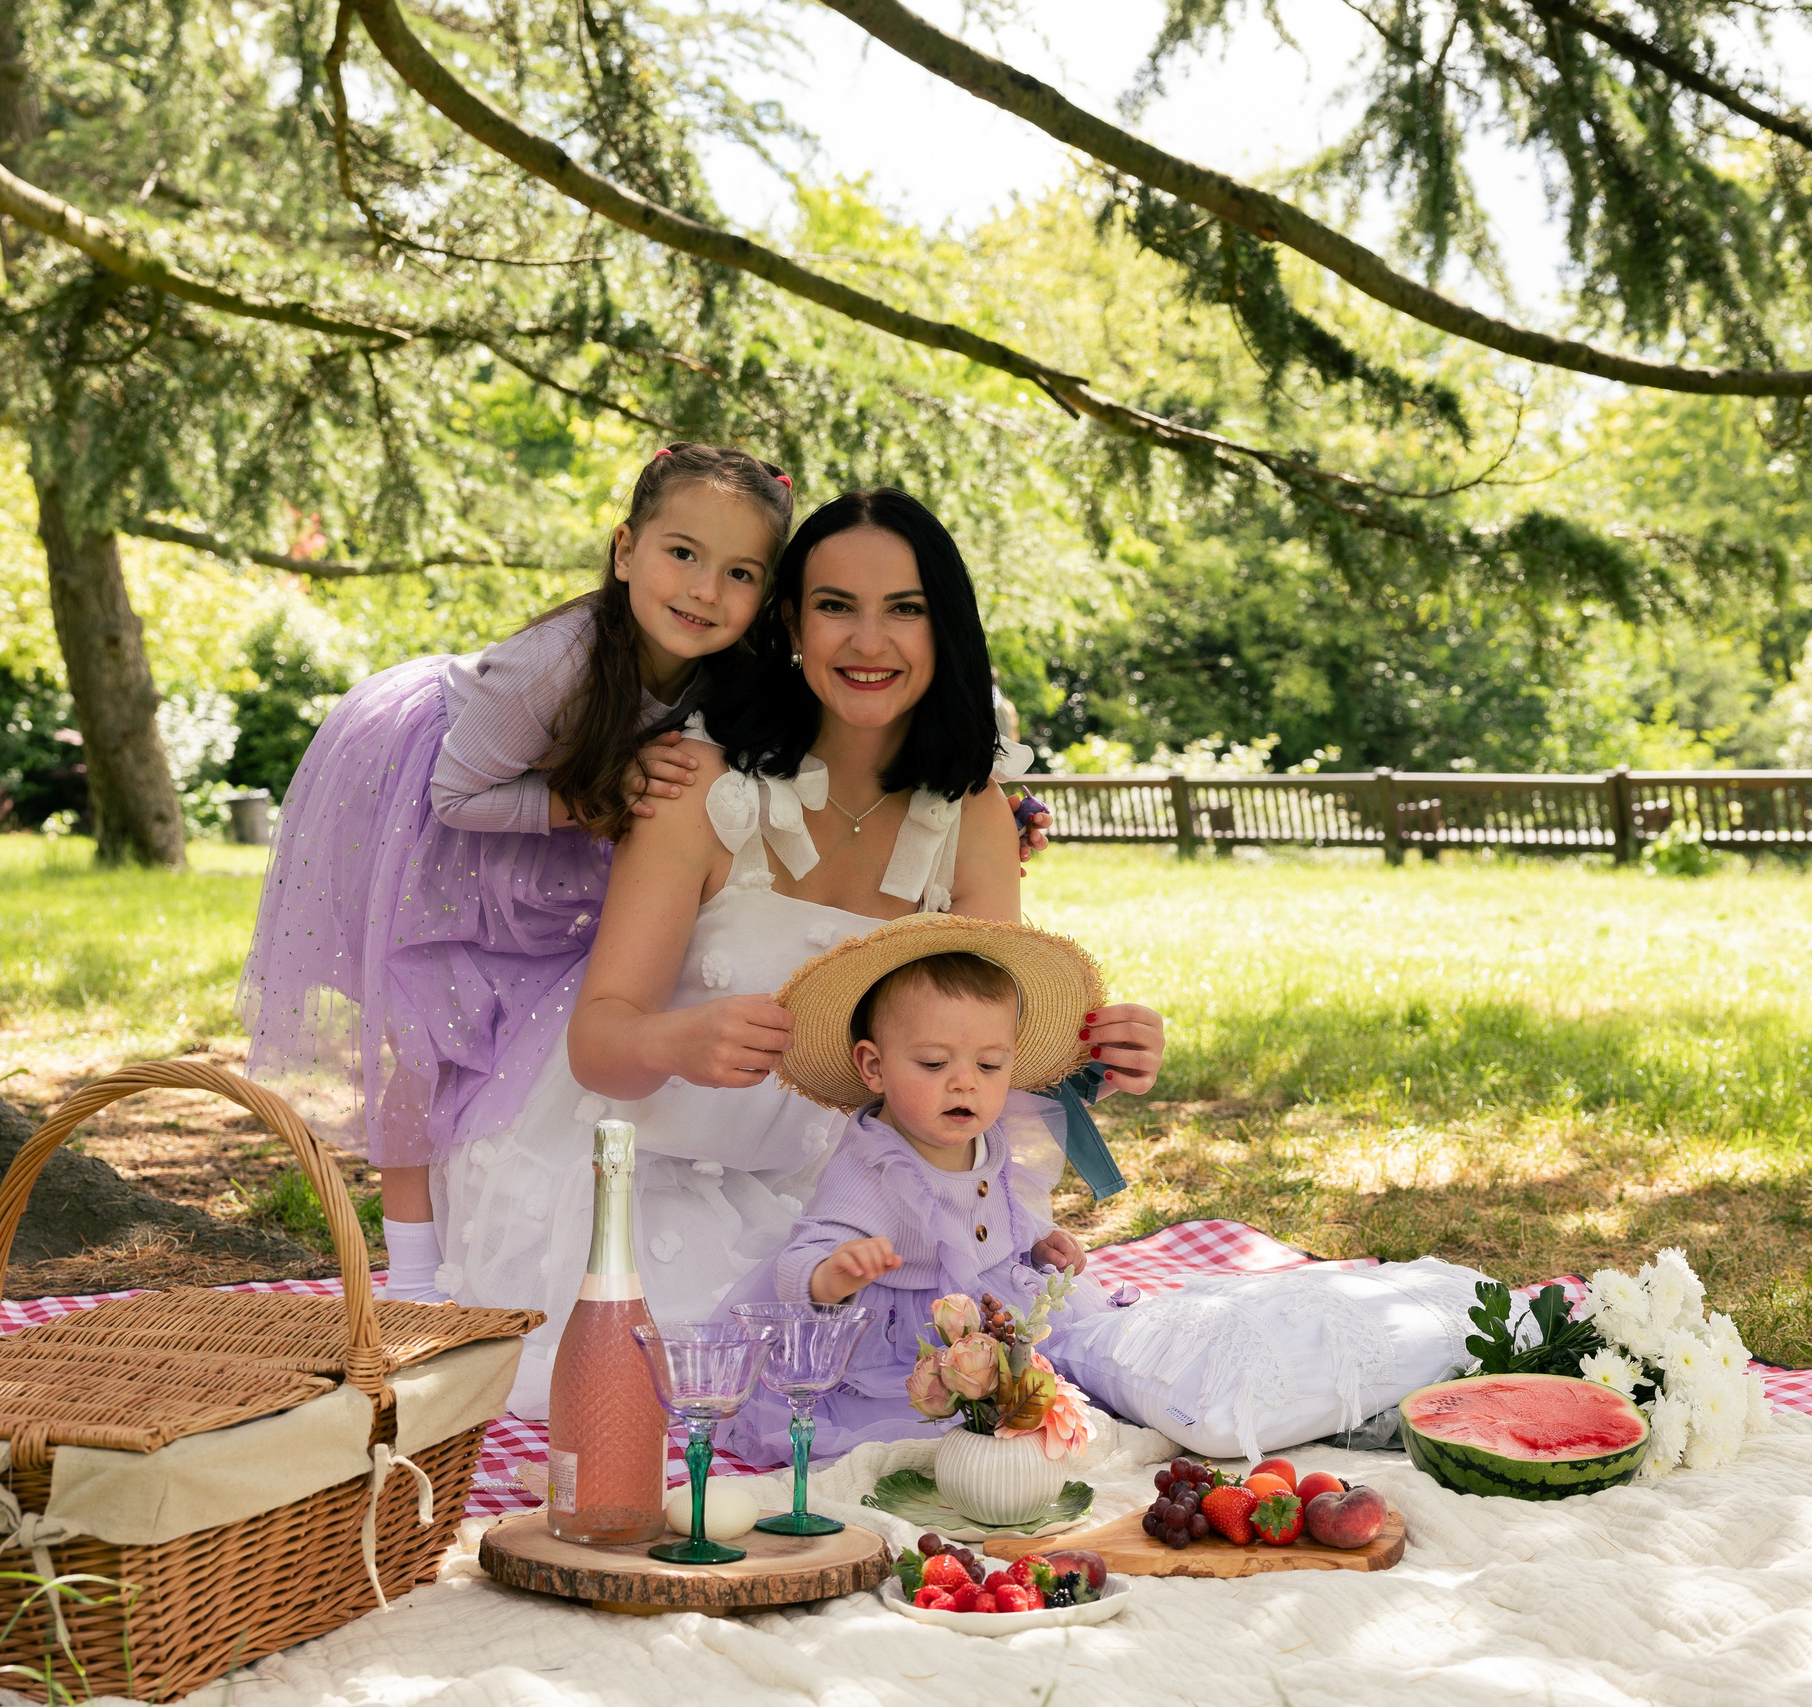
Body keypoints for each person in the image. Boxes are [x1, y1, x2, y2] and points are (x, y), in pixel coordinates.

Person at [431, 488, 1167, 1414]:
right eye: (835, 607)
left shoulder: (971, 810)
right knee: (721, 1384)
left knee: (1016, 1364)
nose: (870, 641)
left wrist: (1098, 1053)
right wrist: (676, 1041)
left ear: (948, 629)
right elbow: (599, 1041)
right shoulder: (699, 784)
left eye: (905, 609)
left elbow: (982, 1052)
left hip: (864, 1201)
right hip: (660, 1178)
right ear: (788, 622)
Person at [237, 443, 796, 1302]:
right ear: (624, 550)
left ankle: (478, 1226)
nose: (703, 590)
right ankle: (413, 1270)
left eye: (739, 572)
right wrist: (601, 794)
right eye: (681, 553)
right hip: (441, 810)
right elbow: (456, 792)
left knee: (510, 1027)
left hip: (548, 828)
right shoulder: (559, 662)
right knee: (427, 1038)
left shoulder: (728, 675)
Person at [714, 918, 1117, 1465]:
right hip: (902, 1334)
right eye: (933, 1063)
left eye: (990, 1064)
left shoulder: (985, 1133)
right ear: (874, 1067)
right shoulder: (873, 1166)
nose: (965, 1081)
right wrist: (833, 1275)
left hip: (989, 1305)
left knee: (1059, 1377)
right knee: (926, 1433)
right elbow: (799, 1259)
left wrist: (1037, 1238)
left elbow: (995, 1205)